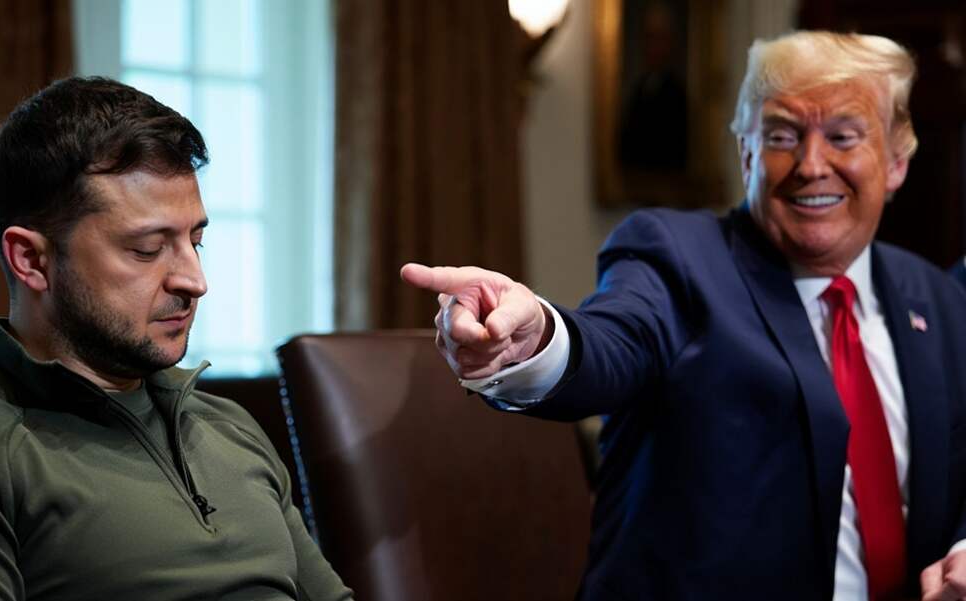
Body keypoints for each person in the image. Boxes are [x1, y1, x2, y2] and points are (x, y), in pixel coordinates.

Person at [402, 31, 966, 601]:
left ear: (897, 161)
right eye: (781, 136)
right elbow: (615, 341)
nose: (811, 165)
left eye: (843, 137)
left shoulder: (937, 299)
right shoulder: (677, 257)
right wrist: (535, 342)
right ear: (746, 153)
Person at [0, 77, 352, 601]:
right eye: (148, 249)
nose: (195, 280)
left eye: (196, 241)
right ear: (32, 260)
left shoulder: (227, 427)